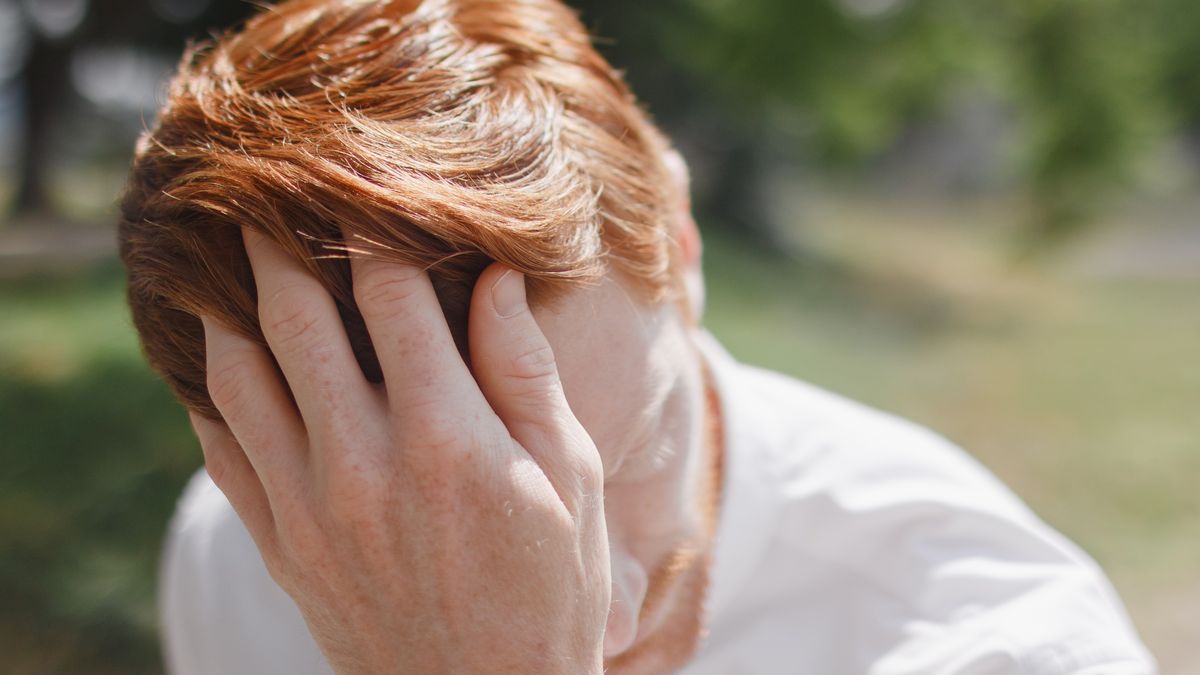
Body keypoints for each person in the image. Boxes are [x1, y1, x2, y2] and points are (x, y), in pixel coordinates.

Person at [117, 0, 1157, 673]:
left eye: (628, 459)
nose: (593, 628)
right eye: (413, 507)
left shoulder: (1002, 647)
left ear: (685, 248)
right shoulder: (236, 542)